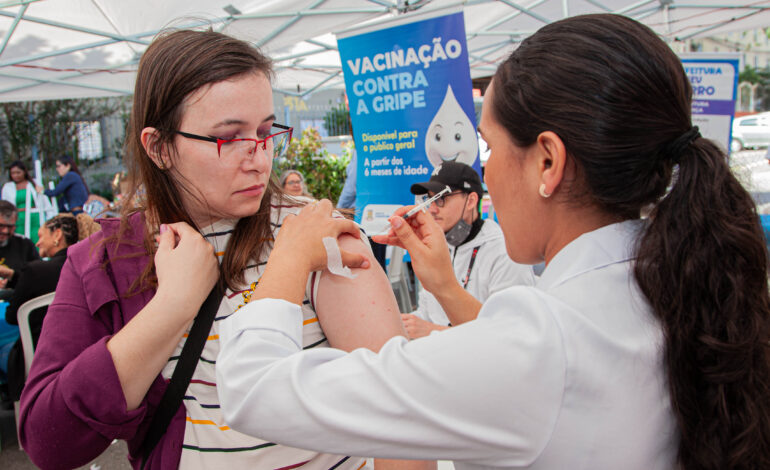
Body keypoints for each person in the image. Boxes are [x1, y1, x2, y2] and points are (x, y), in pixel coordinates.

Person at [215, 14, 770, 470]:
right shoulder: (670, 279)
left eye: (488, 146)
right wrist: (445, 284)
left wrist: (289, 254)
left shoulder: (542, 348)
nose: (488, 172)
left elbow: (254, 391)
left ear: (547, 162)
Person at [19, 29, 405, 470]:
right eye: (229, 137)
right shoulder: (104, 260)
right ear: (159, 147)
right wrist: (172, 307)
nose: (259, 158)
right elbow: (49, 442)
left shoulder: (313, 232)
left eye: (265, 131)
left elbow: (398, 418)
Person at [402, 161, 534, 338]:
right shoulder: (438, 246)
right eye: (429, 199)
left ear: (471, 200)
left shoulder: (505, 252)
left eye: (441, 199)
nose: (432, 209)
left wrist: (433, 332)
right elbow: (426, 314)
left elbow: (512, 334)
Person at [2, 215, 79, 402]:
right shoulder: (87, 265)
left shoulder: (36, 271)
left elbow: (12, 317)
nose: (37, 243)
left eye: (40, 235)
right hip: (82, 352)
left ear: (57, 235)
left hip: (40, 356)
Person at [1, 160, 46, 243]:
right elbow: (6, 206)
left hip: (35, 217)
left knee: (37, 239)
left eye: (18, 172)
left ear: (24, 172)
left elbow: (43, 199)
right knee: (21, 240)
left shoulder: (34, 183)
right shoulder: (8, 187)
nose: (15, 175)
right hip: (19, 218)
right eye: (13, 173)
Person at [0, 200, 40, 290]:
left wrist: (12, 275)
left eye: (10, 227)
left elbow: (37, 278)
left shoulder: (24, 245)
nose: (6, 231)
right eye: (1, 226)